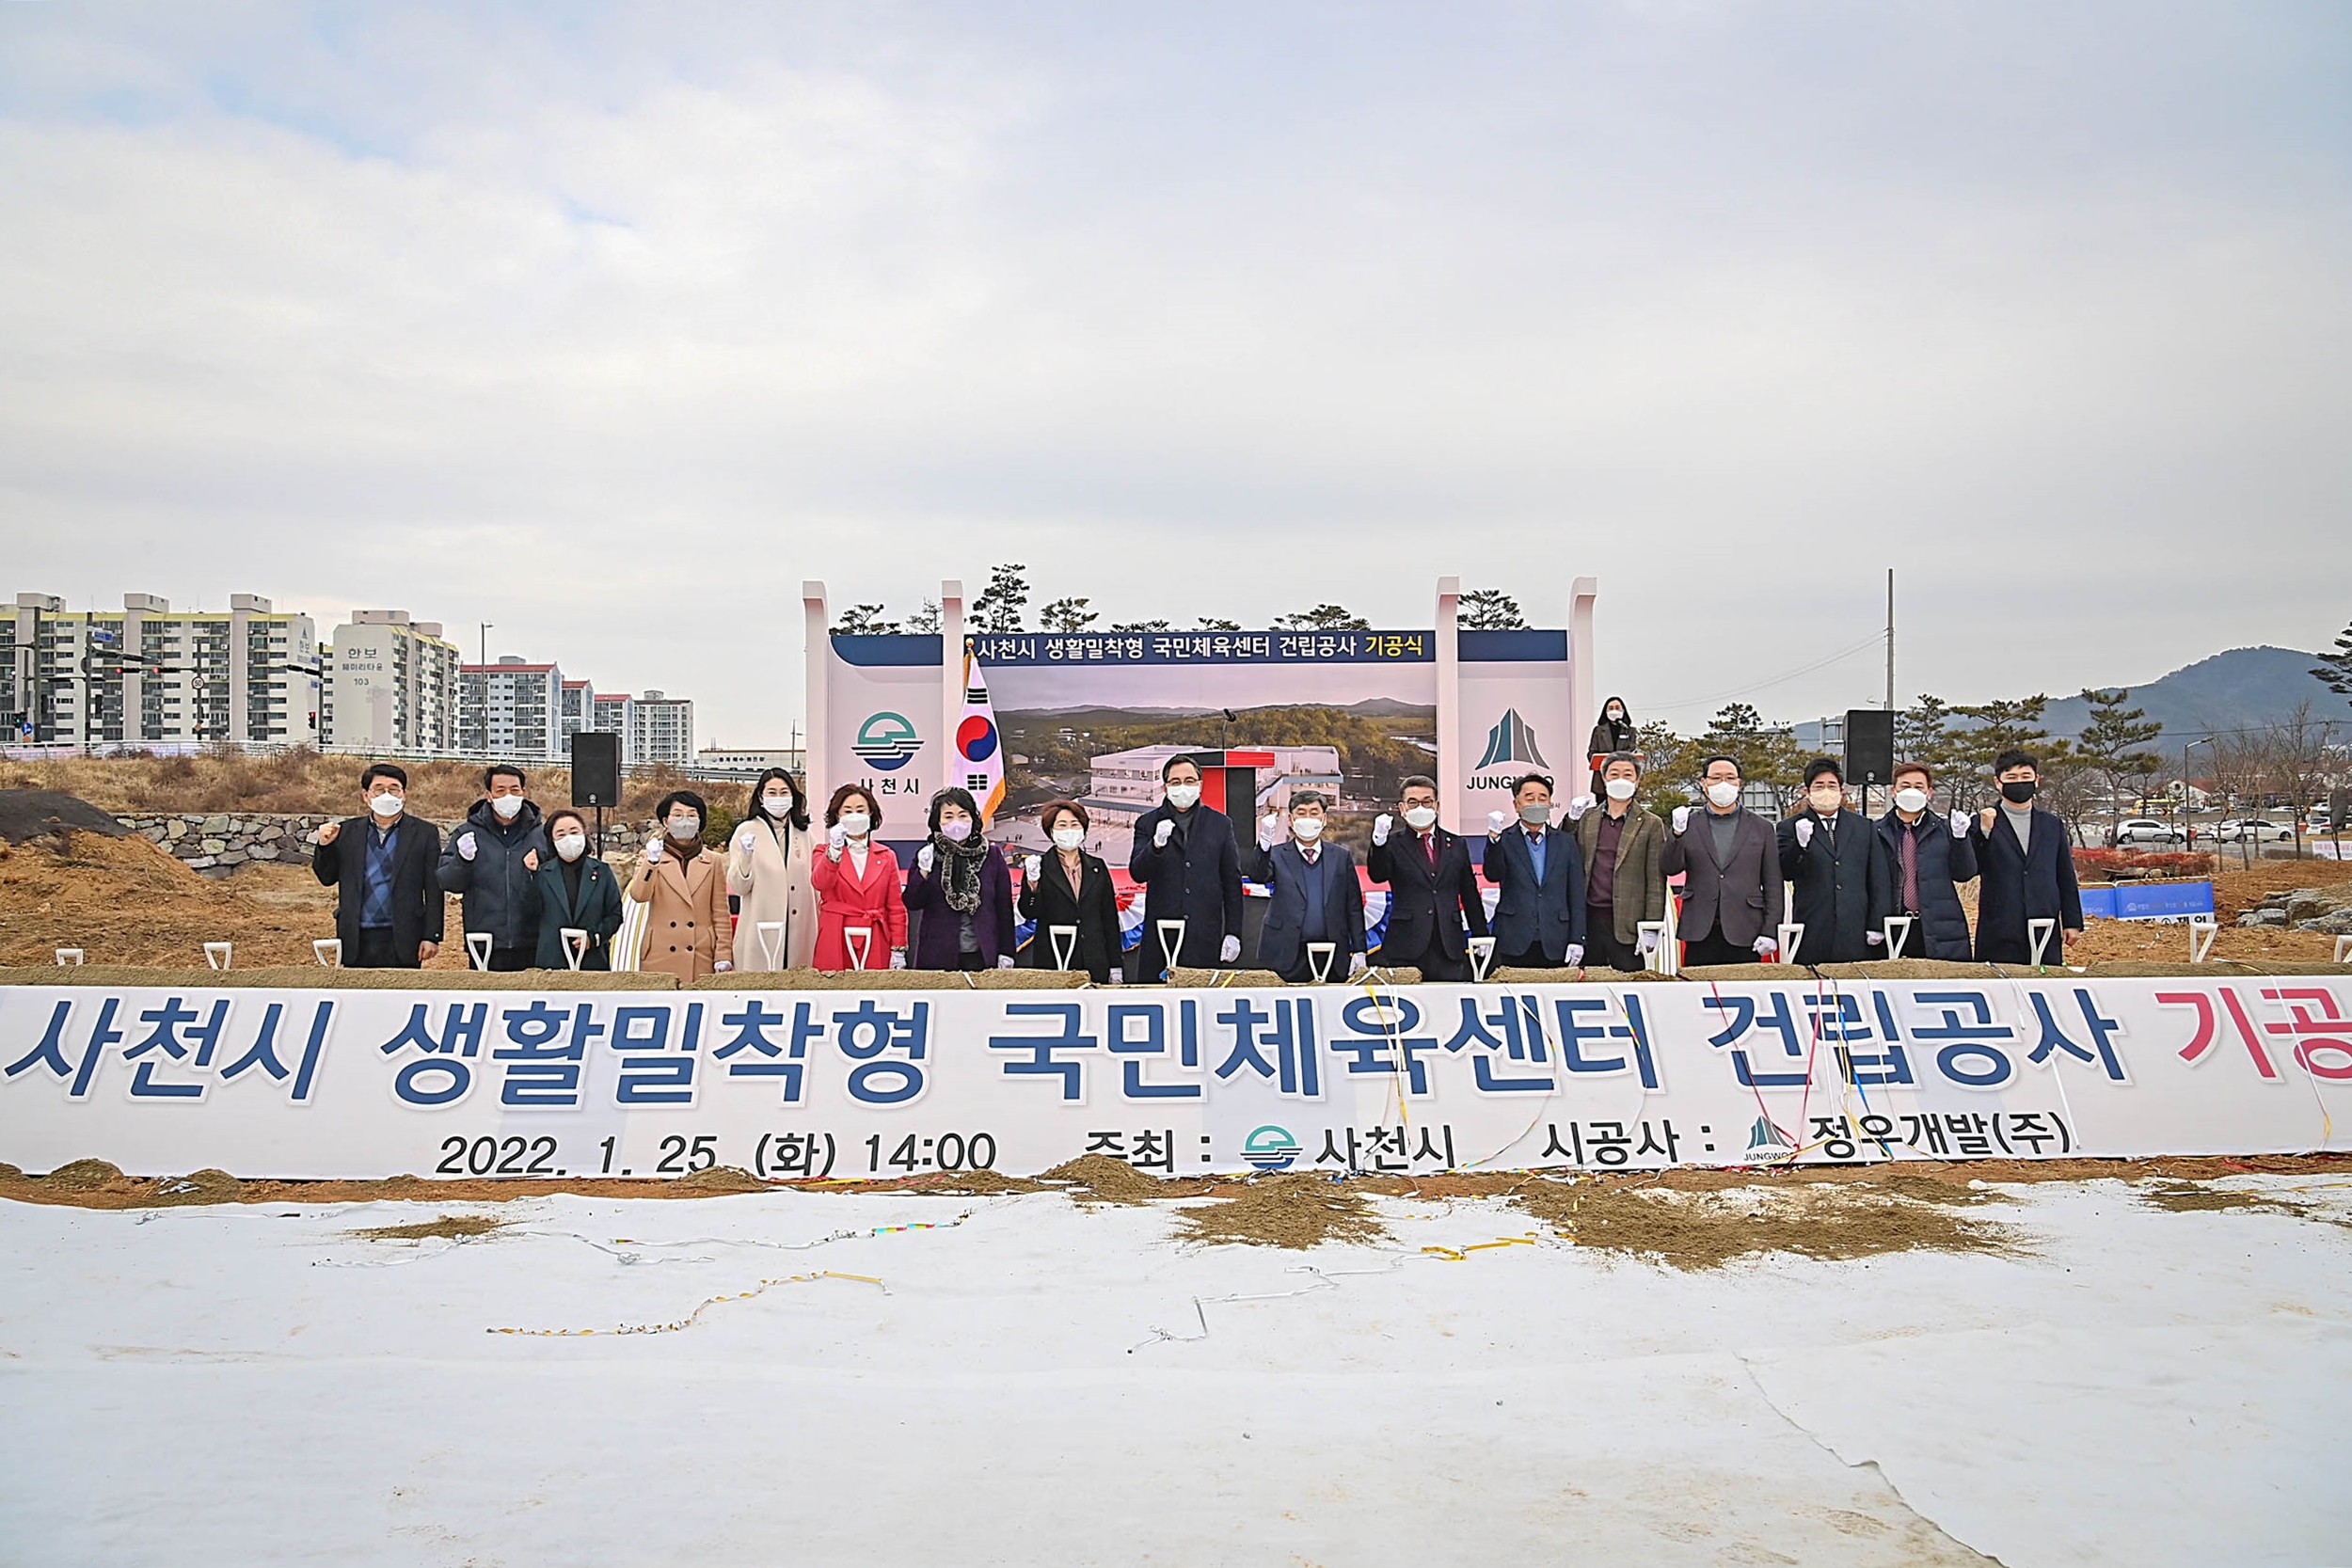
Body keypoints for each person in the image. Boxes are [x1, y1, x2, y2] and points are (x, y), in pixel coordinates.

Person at [312, 762, 443, 969]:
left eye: (393, 789)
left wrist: (432, 935)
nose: (387, 795)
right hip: (357, 934)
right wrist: (324, 847)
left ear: (404, 794)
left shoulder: (424, 833)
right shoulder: (346, 832)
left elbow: (434, 888)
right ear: (366, 795)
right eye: (379, 789)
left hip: (404, 934)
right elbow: (327, 877)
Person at [1127, 753, 1245, 980]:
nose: (1183, 787)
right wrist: (1156, 845)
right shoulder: (1148, 823)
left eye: (1190, 781)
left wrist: (1233, 932)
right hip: (1160, 936)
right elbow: (1138, 873)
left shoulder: (1220, 824)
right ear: (1165, 787)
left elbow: (1231, 881)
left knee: (1201, 1003)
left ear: (1200, 785)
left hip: (1203, 935)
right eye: (1176, 782)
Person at [1661, 754, 1783, 967]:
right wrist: (1677, 835)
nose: (1723, 784)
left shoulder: (1761, 827)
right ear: (1704, 783)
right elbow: (1670, 868)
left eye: (1730, 778)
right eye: (1716, 778)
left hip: (1746, 929)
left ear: (1739, 783)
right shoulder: (1689, 823)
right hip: (1700, 928)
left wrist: (1771, 930)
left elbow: (1773, 883)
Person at [1366, 776, 1488, 980]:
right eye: (1413, 802)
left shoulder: (1457, 844)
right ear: (1402, 808)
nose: (1420, 807)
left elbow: (1469, 893)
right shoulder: (1393, 844)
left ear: (1437, 805)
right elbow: (1378, 875)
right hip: (1406, 945)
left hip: (1448, 944)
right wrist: (1378, 842)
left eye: (1426, 802)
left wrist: (1481, 933)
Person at [1968, 750, 2084, 964]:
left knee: (2045, 984)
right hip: (1999, 923)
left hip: (2044, 922)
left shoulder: (2052, 825)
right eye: (2011, 777)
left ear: (2036, 780)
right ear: (1998, 782)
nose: (2019, 783)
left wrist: (2072, 921)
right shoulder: (1982, 821)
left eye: (2025, 777)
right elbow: (1970, 868)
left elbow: (2065, 875)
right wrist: (1985, 833)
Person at [1776, 757, 1892, 964]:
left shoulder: (1863, 827)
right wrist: (1799, 845)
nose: (1826, 791)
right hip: (1813, 927)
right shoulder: (1790, 827)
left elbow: (1879, 878)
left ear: (1842, 790)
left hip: (1855, 928)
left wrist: (1877, 923)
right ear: (1807, 791)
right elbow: (1786, 872)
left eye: (1832, 785)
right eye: (1819, 786)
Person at [437, 764, 548, 971]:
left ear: (523, 792)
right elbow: (447, 881)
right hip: (484, 943)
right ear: (489, 795)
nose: (509, 796)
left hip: (534, 942)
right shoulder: (467, 833)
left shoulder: (541, 835)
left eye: (515, 790)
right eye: (501, 790)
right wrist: (462, 860)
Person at [1250, 791, 1367, 982]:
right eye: (1301, 813)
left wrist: (1360, 950)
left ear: (1324, 819)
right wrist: (1264, 842)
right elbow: (1258, 875)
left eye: (1314, 813)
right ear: (1290, 819)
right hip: (1286, 952)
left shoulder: (1340, 856)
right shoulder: (1277, 854)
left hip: (1332, 951)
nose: (1307, 818)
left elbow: (1353, 906)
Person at [1569, 752, 1670, 972]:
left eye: (1627, 774)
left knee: (1630, 987)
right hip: (1589, 919)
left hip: (1629, 925)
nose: (1620, 779)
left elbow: (1655, 880)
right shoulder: (1588, 818)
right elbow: (1565, 852)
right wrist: (1570, 820)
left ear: (1637, 781)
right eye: (1614, 774)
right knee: (1589, 987)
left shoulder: (1652, 824)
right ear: (1604, 779)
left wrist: (1651, 927)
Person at [1871, 761, 1978, 960]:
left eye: (1919, 787)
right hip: (1892, 926)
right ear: (1893, 792)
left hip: (1938, 927)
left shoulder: (1945, 830)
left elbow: (1964, 873)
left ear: (1929, 793)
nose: (1912, 791)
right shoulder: (1875, 831)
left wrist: (1961, 839)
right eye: (1905, 786)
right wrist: (1874, 924)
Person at [904, 786, 1016, 972]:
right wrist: (923, 871)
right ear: (937, 822)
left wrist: (1007, 952)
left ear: (973, 818)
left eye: (963, 815)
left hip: (982, 954)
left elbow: (1003, 909)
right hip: (938, 954)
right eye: (948, 816)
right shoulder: (928, 855)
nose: (956, 822)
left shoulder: (992, 855)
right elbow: (913, 902)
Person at [627, 790, 735, 980]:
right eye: (678, 815)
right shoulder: (651, 856)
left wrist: (723, 953)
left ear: (700, 821)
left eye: (692, 815)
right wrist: (651, 862)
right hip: (660, 953)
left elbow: (720, 912)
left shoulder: (713, 860)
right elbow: (639, 895)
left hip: (700, 953)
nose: (685, 820)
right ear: (666, 821)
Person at [1482, 772, 1585, 969]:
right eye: (1529, 798)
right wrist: (1493, 839)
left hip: (1557, 939)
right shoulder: (1505, 839)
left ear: (1550, 804)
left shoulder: (1566, 842)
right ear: (1516, 805)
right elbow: (1493, 874)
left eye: (1542, 798)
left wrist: (1578, 938)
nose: (1536, 803)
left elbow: (1576, 894)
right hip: (1513, 939)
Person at [1017, 800, 1122, 983]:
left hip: (1094, 960)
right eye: (1062, 825)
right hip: (1055, 960)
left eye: (1075, 825)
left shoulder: (1097, 867)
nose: (1069, 830)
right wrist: (1033, 884)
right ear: (1051, 831)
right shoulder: (1040, 866)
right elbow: (1029, 912)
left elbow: (1109, 918)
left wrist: (1115, 965)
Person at [726, 768, 818, 971]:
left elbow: (817, 884)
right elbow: (739, 887)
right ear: (761, 797)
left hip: (800, 930)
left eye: (784, 792)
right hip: (761, 927)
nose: (779, 798)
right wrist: (746, 857)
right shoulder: (746, 831)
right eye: (772, 792)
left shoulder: (803, 834)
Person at [810, 784, 907, 971]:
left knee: (874, 992)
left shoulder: (886, 856)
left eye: (860, 810)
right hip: (835, 933)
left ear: (871, 814)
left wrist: (898, 948)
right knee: (834, 991)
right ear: (838, 816)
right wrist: (834, 851)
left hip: (875, 934)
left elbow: (895, 907)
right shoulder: (823, 851)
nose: (854, 815)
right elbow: (820, 882)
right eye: (847, 811)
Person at [522, 808, 624, 969]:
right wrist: (530, 875)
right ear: (553, 840)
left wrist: (594, 937)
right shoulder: (543, 873)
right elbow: (529, 913)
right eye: (561, 834)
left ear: (584, 833)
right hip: (552, 964)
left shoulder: (602, 871)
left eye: (574, 832)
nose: (568, 838)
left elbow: (615, 913)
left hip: (593, 962)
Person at [1587, 695, 1637, 796]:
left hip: (1625, 780)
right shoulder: (1599, 731)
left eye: (1617, 708)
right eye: (1611, 708)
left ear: (1623, 710)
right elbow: (1591, 753)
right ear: (1605, 712)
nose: (1614, 711)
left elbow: (1632, 751)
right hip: (1602, 779)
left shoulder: (1629, 731)